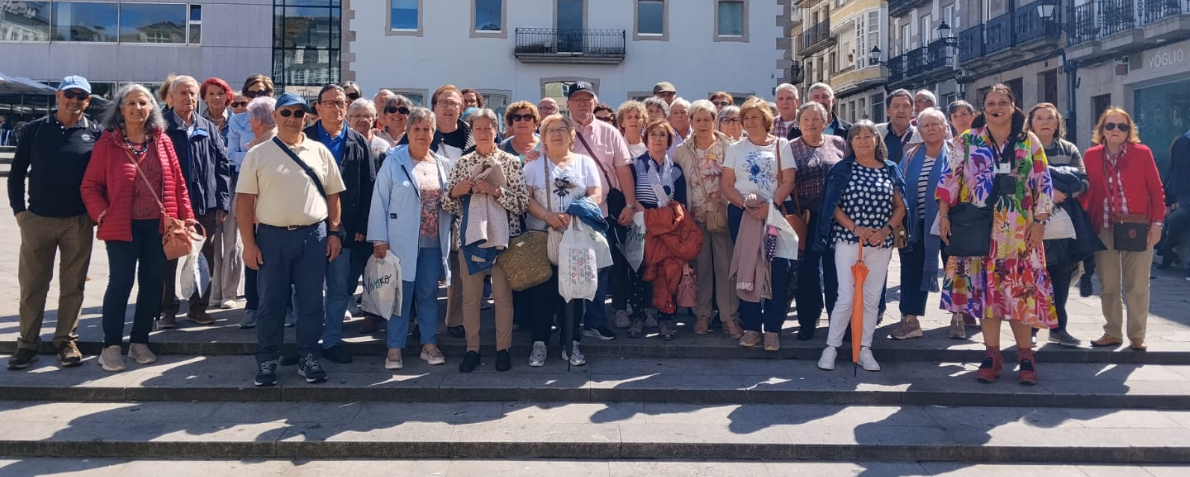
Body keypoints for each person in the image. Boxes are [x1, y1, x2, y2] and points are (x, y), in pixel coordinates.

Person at [936, 84, 1056, 385]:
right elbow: (949, 179)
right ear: (983, 109)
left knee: (1020, 294)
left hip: (1020, 232)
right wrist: (944, 216)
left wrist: (1041, 222)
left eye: (1003, 102)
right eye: (991, 103)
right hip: (980, 229)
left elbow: (1043, 182)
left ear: (1013, 107)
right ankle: (992, 355)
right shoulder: (967, 140)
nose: (997, 107)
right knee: (986, 294)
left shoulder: (1028, 141)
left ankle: (1026, 355)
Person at [81, 84, 195, 372]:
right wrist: (102, 213)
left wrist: (187, 216)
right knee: (120, 284)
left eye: (143, 103)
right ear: (121, 108)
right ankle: (111, 346)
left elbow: (179, 183)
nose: (137, 108)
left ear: (152, 108)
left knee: (153, 283)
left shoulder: (162, 141)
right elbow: (90, 186)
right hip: (122, 227)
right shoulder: (108, 143)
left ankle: (140, 341)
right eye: (131, 103)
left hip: (158, 227)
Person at [237, 92, 345, 386]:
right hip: (271, 237)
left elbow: (334, 196)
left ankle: (309, 356)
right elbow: (244, 202)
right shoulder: (258, 154)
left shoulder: (319, 151)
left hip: (313, 236)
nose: (292, 119)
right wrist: (249, 243)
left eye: (299, 113)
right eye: (286, 112)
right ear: (275, 116)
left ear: (306, 117)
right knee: (270, 302)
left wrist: (334, 232)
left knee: (312, 302)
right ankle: (267, 359)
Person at [7, 75, 102, 370]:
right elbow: (16, 172)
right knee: (33, 286)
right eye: (69, 94)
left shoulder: (95, 133)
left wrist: (95, 213)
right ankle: (27, 344)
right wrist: (20, 212)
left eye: (81, 96)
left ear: (88, 101)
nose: (75, 101)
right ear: (58, 96)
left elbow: (102, 178)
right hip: (38, 220)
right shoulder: (35, 129)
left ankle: (65, 340)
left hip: (78, 222)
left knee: (73, 285)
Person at [815, 121, 907, 372]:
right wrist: (856, 228)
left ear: (877, 140)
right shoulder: (842, 169)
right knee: (845, 296)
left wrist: (885, 230)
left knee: (872, 298)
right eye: (858, 137)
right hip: (848, 240)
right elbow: (832, 205)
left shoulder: (890, 169)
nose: (864, 141)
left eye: (868, 136)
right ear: (851, 143)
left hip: (880, 243)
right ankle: (831, 347)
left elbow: (901, 206)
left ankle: (865, 348)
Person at [442, 109, 529, 372]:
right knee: (470, 297)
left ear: (496, 130)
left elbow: (522, 204)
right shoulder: (462, 163)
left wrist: (496, 191)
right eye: (477, 128)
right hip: (470, 239)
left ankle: (503, 349)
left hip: (504, 239)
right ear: (473, 131)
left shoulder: (510, 162)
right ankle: (472, 349)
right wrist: (455, 192)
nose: (482, 133)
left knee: (502, 297)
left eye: (487, 128)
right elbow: (447, 205)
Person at [369, 107, 453, 370]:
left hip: (433, 243)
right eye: (416, 129)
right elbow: (379, 201)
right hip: (399, 241)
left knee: (428, 295)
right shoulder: (394, 161)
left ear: (434, 133)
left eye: (427, 129)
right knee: (400, 296)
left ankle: (429, 344)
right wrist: (379, 240)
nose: (422, 134)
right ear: (408, 131)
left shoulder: (443, 164)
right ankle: (394, 348)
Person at [1081, 108, 1165, 351]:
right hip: (1104, 226)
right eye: (1110, 126)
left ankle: (1137, 335)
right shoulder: (1091, 156)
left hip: (1137, 226)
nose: (1116, 130)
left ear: (1129, 131)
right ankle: (1112, 332)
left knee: (1137, 284)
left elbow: (1156, 191)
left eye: (1122, 126)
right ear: (1102, 130)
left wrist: (1157, 224)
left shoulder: (1142, 153)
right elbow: (1086, 192)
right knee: (1108, 283)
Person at [522, 114, 603, 366]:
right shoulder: (533, 166)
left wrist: (574, 213)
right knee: (542, 291)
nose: (557, 134)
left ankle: (572, 341)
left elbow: (596, 194)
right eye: (551, 130)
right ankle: (539, 342)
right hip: (541, 234)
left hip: (575, 235)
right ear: (543, 138)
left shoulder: (585, 163)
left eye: (561, 130)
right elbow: (525, 198)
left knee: (574, 290)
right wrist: (547, 215)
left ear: (571, 135)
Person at [721, 97, 797, 351]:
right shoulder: (735, 148)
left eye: (755, 116)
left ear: (765, 119)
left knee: (777, 270)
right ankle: (753, 327)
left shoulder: (781, 145)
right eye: (746, 117)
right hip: (743, 215)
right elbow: (726, 184)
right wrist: (745, 205)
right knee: (748, 269)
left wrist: (771, 206)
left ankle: (773, 329)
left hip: (773, 214)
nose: (750, 121)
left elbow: (788, 180)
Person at [399, 85, 475, 339]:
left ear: (461, 108)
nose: (449, 108)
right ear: (434, 106)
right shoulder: (416, 134)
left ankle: (454, 319)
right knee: (422, 273)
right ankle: (418, 321)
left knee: (458, 270)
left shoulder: (470, 139)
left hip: (462, 213)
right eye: (443, 102)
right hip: (423, 217)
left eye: (454, 103)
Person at [307, 84, 375, 365]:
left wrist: (362, 225)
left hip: (346, 227)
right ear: (318, 107)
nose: (336, 108)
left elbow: (369, 184)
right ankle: (306, 343)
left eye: (341, 103)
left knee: (338, 287)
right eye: (329, 103)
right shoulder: (304, 137)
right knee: (306, 289)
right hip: (308, 224)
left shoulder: (358, 141)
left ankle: (332, 340)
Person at [566, 81, 637, 342]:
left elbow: (623, 171)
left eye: (587, 99)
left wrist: (630, 204)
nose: (582, 104)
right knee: (569, 268)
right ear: (568, 104)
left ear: (594, 103)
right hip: (567, 215)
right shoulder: (560, 129)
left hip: (602, 213)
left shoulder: (610, 132)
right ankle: (567, 321)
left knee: (600, 267)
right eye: (577, 99)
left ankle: (594, 321)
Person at [160, 76, 232, 328]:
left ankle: (198, 308)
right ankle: (167, 311)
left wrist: (222, 203)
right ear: (171, 97)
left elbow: (222, 166)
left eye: (192, 93)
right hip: (172, 207)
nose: (188, 98)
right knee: (168, 259)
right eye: (183, 93)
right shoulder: (160, 126)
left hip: (205, 205)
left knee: (204, 259)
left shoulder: (207, 127)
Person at [1026, 103, 1091, 347]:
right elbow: (1017, 179)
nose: (1045, 122)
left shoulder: (1069, 149)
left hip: (1064, 223)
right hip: (1031, 221)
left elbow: (1084, 180)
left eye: (1050, 118)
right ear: (1031, 123)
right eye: (1039, 118)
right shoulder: (1024, 147)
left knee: (1062, 276)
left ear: (1057, 123)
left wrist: (1067, 194)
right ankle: (1031, 328)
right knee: (1033, 276)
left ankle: (1058, 328)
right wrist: (1047, 192)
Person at [673, 100, 738, 336]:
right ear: (691, 122)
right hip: (695, 218)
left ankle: (729, 317)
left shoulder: (730, 147)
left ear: (714, 120)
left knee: (726, 268)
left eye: (707, 119)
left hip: (723, 216)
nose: (702, 124)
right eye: (697, 119)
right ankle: (702, 315)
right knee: (701, 269)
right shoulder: (681, 151)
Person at [623, 120, 689, 340]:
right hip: (642, 223)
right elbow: (627, 194)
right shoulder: (635, 165)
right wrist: (642, 211)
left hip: (667, 226)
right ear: (646, 139)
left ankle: (666, 318)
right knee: (638, 271)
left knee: (666, 272)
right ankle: (638, 316)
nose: (657, 139)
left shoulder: (675, 169)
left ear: (669, 141)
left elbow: (681, 201)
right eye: (653, 134)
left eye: (662, 135)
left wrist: (666, 218)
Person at [891, 108, 952, 340]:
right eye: (926, 125)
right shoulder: (911, 154)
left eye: (936, 124)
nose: (931, 128)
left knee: (955, 270)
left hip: (950, 223)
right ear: (920, 130)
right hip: (915, 225)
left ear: (945, 127)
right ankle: (910, 320)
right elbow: (899, 184)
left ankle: (959, 317)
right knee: (911, 271)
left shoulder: (957, 153)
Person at [790, 102, 848, 341]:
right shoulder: (790, 147)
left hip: (836, 216)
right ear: (798, 123)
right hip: (807, 217)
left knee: (836, 270)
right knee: (808, 271)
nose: (811, 123)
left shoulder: (839, 143)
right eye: (806, 119)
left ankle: (838, 322)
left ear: (825, 122)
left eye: (817, 119)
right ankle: (807, 321)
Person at [234, 96, 278, 329]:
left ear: (260, 120)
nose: (248, 121)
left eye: (251, 116)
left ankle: (257, 308)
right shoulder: (259, 143)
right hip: (257, 215)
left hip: (264, 217)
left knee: (259, 263)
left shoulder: (268, 146)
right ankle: (255, 307)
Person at [202, 77, 243, 311]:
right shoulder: (198, 122)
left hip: (234, 184)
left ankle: (229, 292)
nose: (216, 97)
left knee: (231, 241)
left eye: (220, 93)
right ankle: (213, 292)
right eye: (211, 93)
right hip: (208, 187)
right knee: (211, 242)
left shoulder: (237, 122)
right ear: (204, 98)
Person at [1162, 126, 1190, 277]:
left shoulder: (1180, 142)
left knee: (1176, 218)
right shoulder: (1182, 143)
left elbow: (1174, 170)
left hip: (1181, 193)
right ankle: (1166, 249)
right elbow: (1176, 170)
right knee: (1176, 218)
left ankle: (1166, 249)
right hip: (1183, 193)